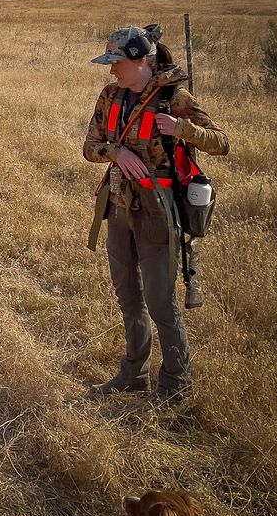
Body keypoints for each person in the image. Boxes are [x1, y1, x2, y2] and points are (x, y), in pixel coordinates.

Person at [83, 25, 229, 404]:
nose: (112, 70)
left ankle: (175, 386)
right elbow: (90, 147)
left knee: (161, 300)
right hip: (117, 207)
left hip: (157, 213)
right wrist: (117, 153)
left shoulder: (173, 98)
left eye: (117, 62)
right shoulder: (110, 95)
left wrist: (183, 129)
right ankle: (134, 372)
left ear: (139, 59)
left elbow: (222, 142)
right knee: (128, 296)